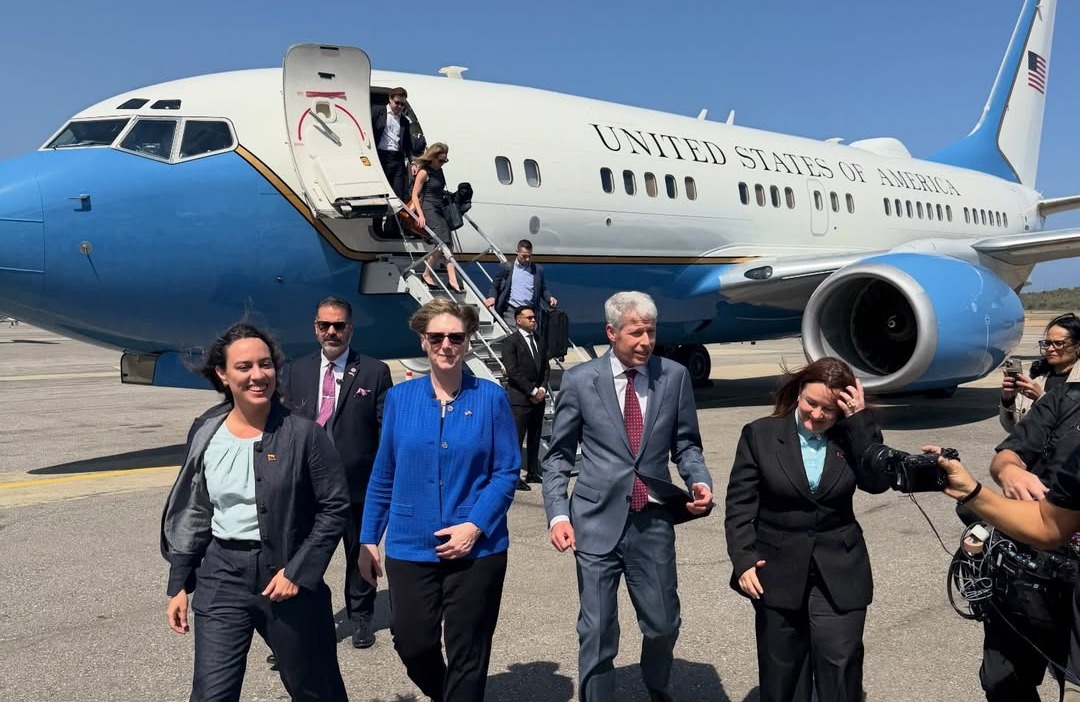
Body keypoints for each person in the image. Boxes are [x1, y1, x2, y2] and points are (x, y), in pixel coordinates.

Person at [161, 322, 350, 702]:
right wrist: (179, 582)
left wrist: (297, 572)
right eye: (244, 367)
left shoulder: (303, 434)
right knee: (211, 694)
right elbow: (196, 509)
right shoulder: (206, 430)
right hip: (222, 574)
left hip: (285, 574)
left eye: (265, 364)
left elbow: (335, 507)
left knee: (314, 689)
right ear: (222, 374)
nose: (258, 375)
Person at [542, 291, 713, 702]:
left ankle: (657, 686)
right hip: (595, 521)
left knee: (663, 625)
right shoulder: (580, 381)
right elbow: (558, 456)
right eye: (636, 333)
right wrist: (558, 514)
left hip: (652, 521)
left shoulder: (674, 377)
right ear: (611, 332)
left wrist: (698, 479)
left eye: (650, 332)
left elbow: (686, 444)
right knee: (597, 630)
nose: (646, 342)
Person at [358, 298, 519, 702]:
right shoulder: (400, 399)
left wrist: (475, 526)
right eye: (437, 337)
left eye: (455, 337)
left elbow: (506, 471)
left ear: (468, 341)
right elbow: (384, 472)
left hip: (478, 550)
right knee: (412, 643)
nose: (446, 345)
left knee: (469, 651)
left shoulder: (491, 398)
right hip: (411, 544)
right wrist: (367, 538)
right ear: (423, 341)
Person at [724, 357, 890, 702]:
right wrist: (743, 559)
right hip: (777, 568)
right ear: (799, 392)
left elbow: (877, 483)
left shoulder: (851, 435)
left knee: (840, 664)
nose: (817, 414)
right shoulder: (760, 434)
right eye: (811, 403)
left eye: (828, 409)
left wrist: (860, 421)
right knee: (783, 672)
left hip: (840, 567)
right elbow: (740, 505)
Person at [279, 296, 393, 650]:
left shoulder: (374, 371)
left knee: (360, 553)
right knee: (303, 556)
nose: (331, 332)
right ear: (315, 327)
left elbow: (384, 430)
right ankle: (300, 626)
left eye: (338, 325)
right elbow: (282, 426)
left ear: (350, 329)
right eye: (324, 325)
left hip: (357, 484)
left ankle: (360, 618)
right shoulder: (296, 371)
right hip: (308, 485)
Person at [974, 356, 1080, 701]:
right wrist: (1010, 471)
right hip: (1032, 565)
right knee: (1002, 679)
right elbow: (1008, 454)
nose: (1051, 350)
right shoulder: (1064, 399)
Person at [1000, 313, 1080, 431]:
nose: (1050, 349)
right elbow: (1011, 427)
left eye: (1058, 343)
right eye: (1047, 343)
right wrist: (1008, 400)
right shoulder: (1035, 377)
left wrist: (1041, 398)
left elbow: (1072, 428)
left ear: (1077, 346)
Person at [500, 304, 550, 492]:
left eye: (534, 317)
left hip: (538, 398)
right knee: (517, 438)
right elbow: (512, 371)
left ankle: (533, 472)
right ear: (518, 320)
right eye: (529, 318)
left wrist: (542, 389)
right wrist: (532, 391)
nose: (533, 320)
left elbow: (545, 367)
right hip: (520, 399)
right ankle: (514, 477)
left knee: (535, 435)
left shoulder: (539, 339)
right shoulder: (510, 342)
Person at [410, 142, 462, 292]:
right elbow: (415, 195)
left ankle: (452, 279)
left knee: (448, 244)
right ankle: (427, 274)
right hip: (429, 208)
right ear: (432, 158)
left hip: (439, 208)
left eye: (445, 160)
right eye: (440, 160)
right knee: (442, 242)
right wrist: (420, 215)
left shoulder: (440, 171)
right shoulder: (424, 172)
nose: (442, 163)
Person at [484, 239, 557, 329]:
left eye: (529, 256)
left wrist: (549, 298)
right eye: (524, 256)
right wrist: (492, 297)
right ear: (517, 252)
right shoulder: (506, 268)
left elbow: (543, 289)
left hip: (529, 310)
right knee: (515, 334)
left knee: (530, 334)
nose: (527, 259)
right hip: (511, 310)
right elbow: (495, 286)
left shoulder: (537, 270)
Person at [372, 87, 420, 202]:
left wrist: (413, 162)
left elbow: (408, 144)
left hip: (397, 159)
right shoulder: (377, 111)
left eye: (402, 104)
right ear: (390, 99)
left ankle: (395, 214)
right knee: (381, 194)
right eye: (397, 103)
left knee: (398, 195)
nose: (399, 106)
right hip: (381, 157)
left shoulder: (404, 121)